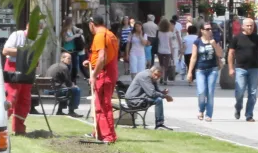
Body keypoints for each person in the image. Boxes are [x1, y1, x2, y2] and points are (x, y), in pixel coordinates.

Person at [88, 14, 119, 143]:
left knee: (102, 104)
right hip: (108, 70)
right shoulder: (110, 34)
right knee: (101, 103)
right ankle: (99, 131)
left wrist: (94, 75)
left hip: (104, 72)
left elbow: (102, 57)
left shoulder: (100, 36)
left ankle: (107, 135)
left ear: (92, 24)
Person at [230, 17, 258, 122]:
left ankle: (249, 115)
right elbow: (231, 53)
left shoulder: (257, 38)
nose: (250, 27)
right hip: (241, 68)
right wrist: (231, 68)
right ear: (243, 26)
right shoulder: (237, 38)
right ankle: (238, 107)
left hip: (254, 68)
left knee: (253, 93)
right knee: (239, 92)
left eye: (251, 25)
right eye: (248, 25)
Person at [186, 22, 222, 121]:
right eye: (207, 29)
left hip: (212, 69)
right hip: (200, 70)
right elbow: (193, 57)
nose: (210, 31)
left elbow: (220, 54)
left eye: (210, 29)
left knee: (210, 92)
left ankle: (209, 114)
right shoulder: (197, 42)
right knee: (201, 92)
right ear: (202, 31)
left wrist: (214, 45)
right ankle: (201, 110)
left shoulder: (215, 41)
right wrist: (190, 72)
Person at [2, 22, 32, 136]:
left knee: (24, 100)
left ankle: (19, 128)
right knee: (11, 97)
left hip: (27, 69)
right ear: (28, 26)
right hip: (13, 67)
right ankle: (1, 126)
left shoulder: (35, 40)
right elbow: (5, 51)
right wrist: (24, 52)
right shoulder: (17, 35)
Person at [124, 61, 174, 129]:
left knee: (158, 98)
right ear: (151, 71)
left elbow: (155, 91)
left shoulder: (151, 76)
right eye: (156, 75)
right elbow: (152, 93)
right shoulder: (145, 76)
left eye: (159, 77)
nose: (156, 77)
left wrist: (163, 93)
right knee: (158, 100)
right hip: (134, 100)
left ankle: (159, 124)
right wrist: (165, 97)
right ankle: (159, 124)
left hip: (140, 98)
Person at [46, 51, 81, 116]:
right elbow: (68, 83)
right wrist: (74, 86)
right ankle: (72, 110)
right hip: (55, 91)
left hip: (47, 90)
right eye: (68, 58)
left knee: (65, 89)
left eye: (70, 58)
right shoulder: (64, 67)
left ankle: (60, 111)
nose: (70, 60)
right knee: (76, 90)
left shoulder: (54, 65)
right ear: (62, 59)